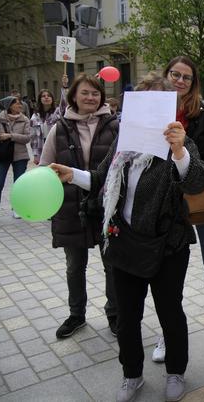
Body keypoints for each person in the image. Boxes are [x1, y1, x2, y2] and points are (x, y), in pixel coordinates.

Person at [50, 72, 204, 402]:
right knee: (127, 316)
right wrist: (72, 175)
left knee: (170, 312)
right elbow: (100, 178)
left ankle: (176, 371)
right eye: (143, 99)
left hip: (168, 245)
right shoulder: (126, 143)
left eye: (157, 100)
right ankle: (132, 374)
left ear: (169, 106)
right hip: (124, 241)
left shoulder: (178, 142)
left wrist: (180, 152)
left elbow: (197, 181)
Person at [152, 56, 204, 360]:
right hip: (167, 203)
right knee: (168, 272)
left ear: (194, 82)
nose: (180, 81)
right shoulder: (155, 111)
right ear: (167, 75)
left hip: (203, 197)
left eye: (187, 77)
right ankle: (166, 332)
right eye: (175, 74)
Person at [39, 74, 119, 339]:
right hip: (70, 207)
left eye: (95, 94)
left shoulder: (115, 126)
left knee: (112, 264)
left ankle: (115, 313)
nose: (90, 98)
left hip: (107, 205)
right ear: (74, 95)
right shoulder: (59, 128)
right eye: (85, 93)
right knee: (75, 265)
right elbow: (44, 168)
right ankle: (77, 314)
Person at [0, 96, 31, 224]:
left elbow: (27, 137)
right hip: (2, 156)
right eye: (16, 103)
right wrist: (0, 136)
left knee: (19, 185)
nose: (20, 105)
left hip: (20, 156)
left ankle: (17, 208)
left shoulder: (24, 119)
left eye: (20, 103)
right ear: (9, 105)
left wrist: (11, 136)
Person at [30, 89, 61, 165]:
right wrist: (35, 155)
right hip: (42, 146)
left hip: (57, 145)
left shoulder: (58, 112)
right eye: (43, 96)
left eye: (49, 96)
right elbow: (33, 137)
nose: (46, 97)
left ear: (52, 99)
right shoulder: (35, 116)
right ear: (40, 99)